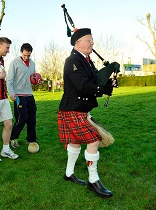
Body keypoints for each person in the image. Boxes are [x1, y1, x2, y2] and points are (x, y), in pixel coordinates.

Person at [58, 28, 114, 198]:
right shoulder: (72, 60)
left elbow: (95, 80)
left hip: (80, 109)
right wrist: (102, 89)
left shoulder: (87, 60)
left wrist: (108, 79)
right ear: (78, 43)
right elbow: (83, 86)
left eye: (92, 40)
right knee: (93, 139)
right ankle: (93, 180)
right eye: (88, 40)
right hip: (72, 109)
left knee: (75, 142)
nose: (92, 43)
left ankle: (69, 174)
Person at [7, 43, 39, 152]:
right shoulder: (14, 63)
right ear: (21, 52)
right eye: (25, 55)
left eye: (28, 55)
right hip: (18, 95)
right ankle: (13, 138)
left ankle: (31, 140)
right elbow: (9, 79)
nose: (26, 57)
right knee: (22, 118)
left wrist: (37, 82)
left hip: (29, 95)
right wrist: (11, 93)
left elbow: (33, 78)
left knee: (32, 118)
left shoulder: (32, 63)